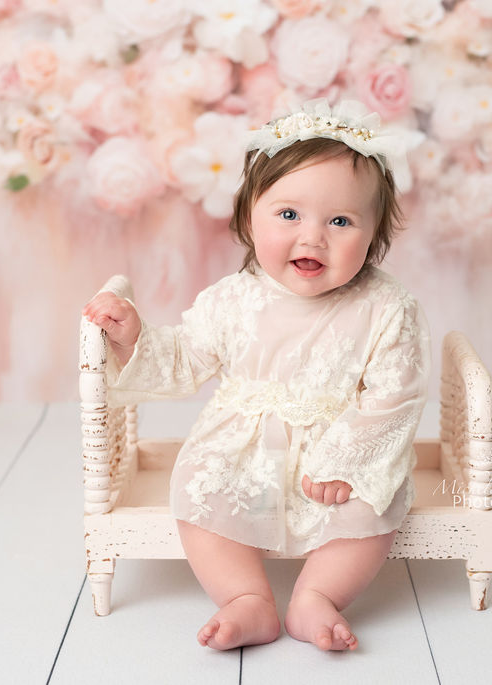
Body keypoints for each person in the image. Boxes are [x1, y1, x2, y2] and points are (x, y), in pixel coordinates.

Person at [82, 99, 430, 653]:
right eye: (289, 215)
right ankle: (245, 597)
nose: (313, 238)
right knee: (199, 491)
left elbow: (396, 396)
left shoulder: (386, 307)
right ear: (250, 218)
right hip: (242, 447)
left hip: (334, 457)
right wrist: (133, 337)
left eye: (340, 221)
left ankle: (318, 595)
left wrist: (349, 462)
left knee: (373, 508)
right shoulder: (232, 299)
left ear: (374, 236)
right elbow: (186, 357)